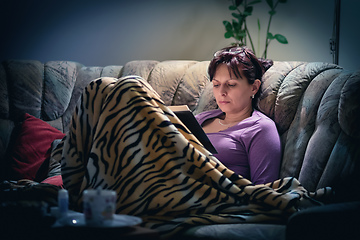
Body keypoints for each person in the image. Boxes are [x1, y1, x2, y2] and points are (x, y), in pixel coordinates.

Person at [195, 46, 281, 184]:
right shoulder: (199, 119)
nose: (221, 92)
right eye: (216, 85)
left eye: (231, 84)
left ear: (254, 87)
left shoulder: (260, 128)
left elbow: (263, 190)